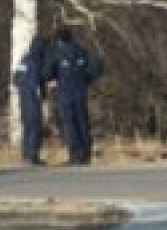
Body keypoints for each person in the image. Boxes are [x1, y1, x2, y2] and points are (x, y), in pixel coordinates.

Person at [44, 27, 101, 165]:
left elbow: (47, 72)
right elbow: (96, 67)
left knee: (70, 123)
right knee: (83, 122)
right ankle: (86, 154)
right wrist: (86, 80)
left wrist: (52, 79)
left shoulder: (56, 53)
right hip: (81, 91)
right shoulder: (82, 51)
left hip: (65, 91)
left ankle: (75, 155)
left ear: (59, 40)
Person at [12, 33, 47, 166]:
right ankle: (33, 155)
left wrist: (23, 88)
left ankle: (26, 154)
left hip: (23, 97)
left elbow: (15, 79)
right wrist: (41, 95)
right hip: (32, 97)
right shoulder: (37, 60)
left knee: (27, 126)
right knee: (34, 126)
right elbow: (37, 81)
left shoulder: (24, 59)